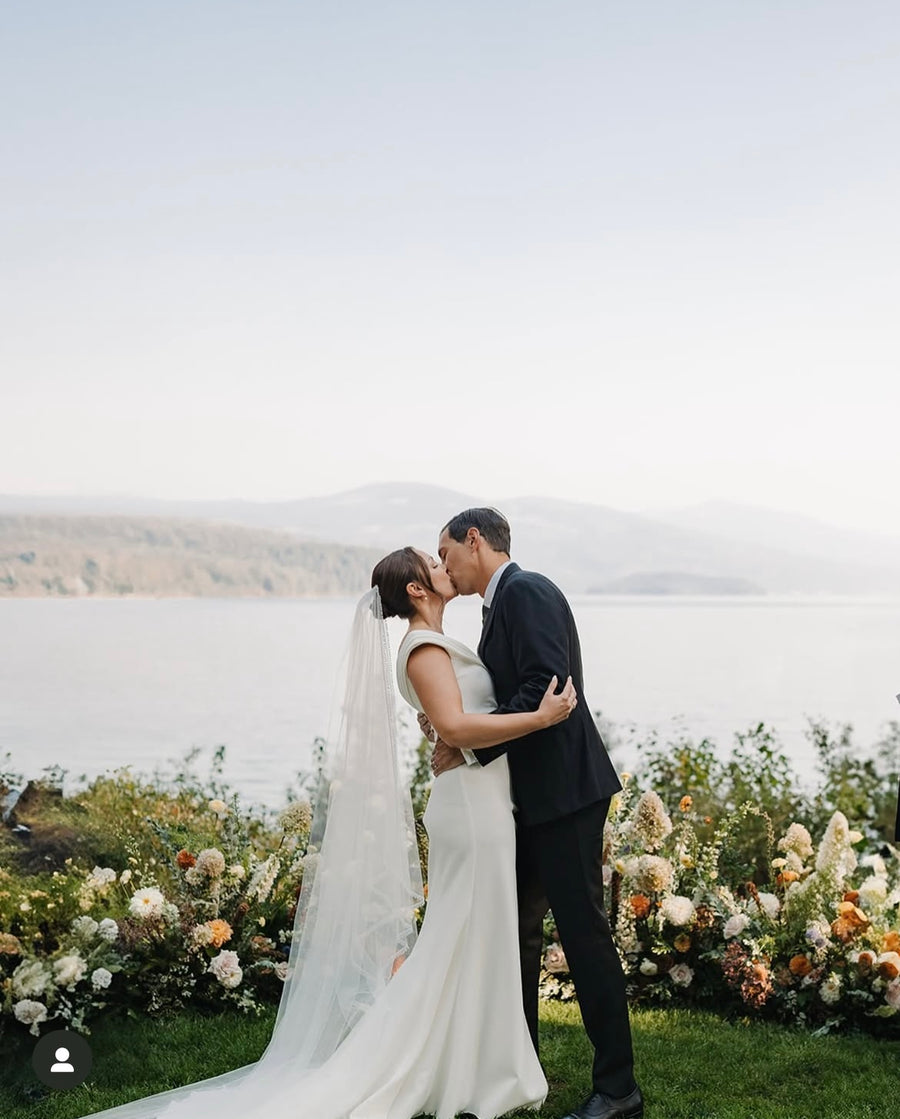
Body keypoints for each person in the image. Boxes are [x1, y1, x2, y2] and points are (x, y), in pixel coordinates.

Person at [79, 547, 576, 1119]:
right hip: (469, 809)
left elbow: (454, 723)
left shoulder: (432, 645)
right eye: (432, 562)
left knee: (473, 936)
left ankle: (475, 1064)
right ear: (417, 590)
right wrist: (539, 718)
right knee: (458, 936)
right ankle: (449, 1068)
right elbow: (455, 726)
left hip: (480, 799)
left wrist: (461, 732)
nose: (443, 567)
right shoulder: (425, 649)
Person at [431, 508, 643, 1119]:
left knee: (583, 936)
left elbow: (547, 689)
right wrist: (456, 726)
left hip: (568, 795)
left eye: (446, 553)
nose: (445, 565)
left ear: (475, 541)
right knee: (516, 932)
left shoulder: (526, 591)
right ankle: (517, 1069)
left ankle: (619, 1089)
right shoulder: (498, 604)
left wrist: (469, 743)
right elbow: (511, 696)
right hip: (532, 798)